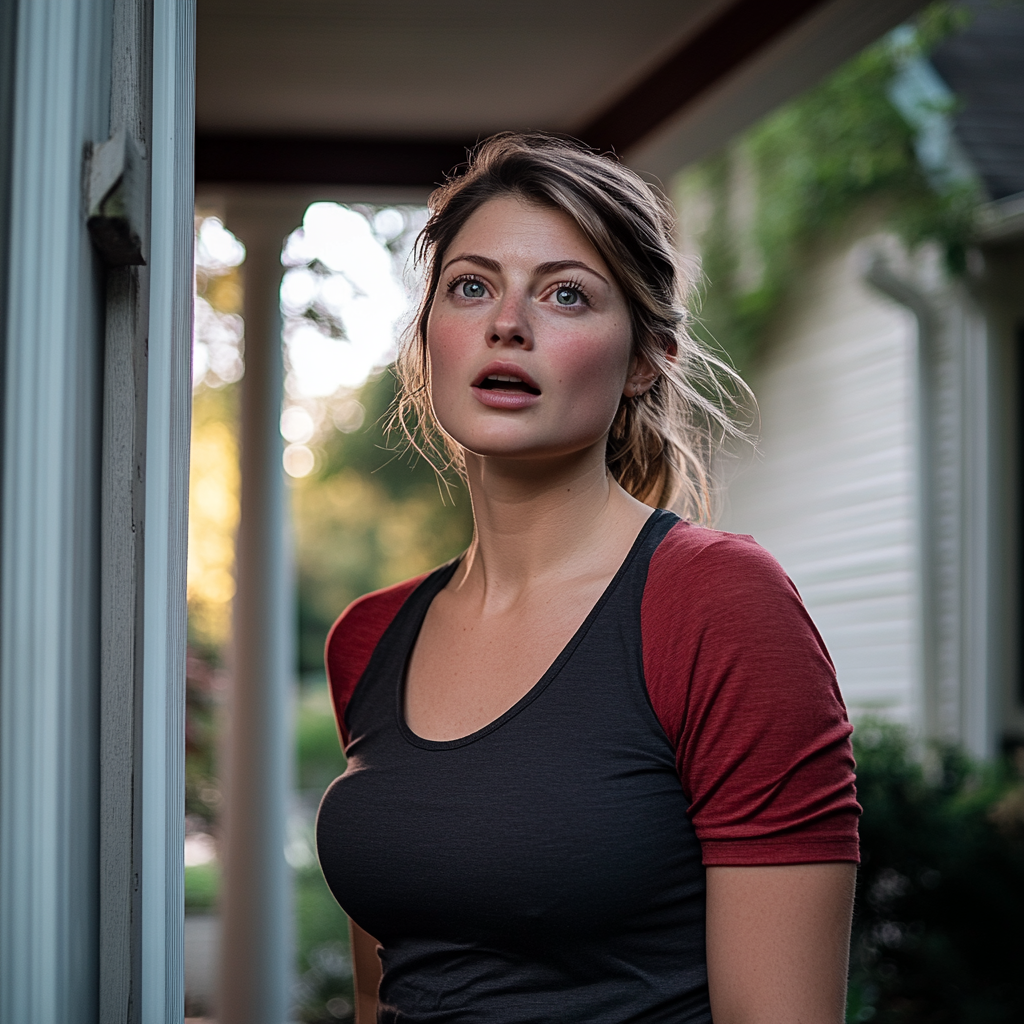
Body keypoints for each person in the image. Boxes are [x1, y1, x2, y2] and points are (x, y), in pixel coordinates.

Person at [316, 133, 860, 1024]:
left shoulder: (719, 605)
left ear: (646, 357)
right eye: (472, 286)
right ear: (430, 336)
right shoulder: (370, 639)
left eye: (566, 293)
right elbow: (388, 995)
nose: (507, 324)